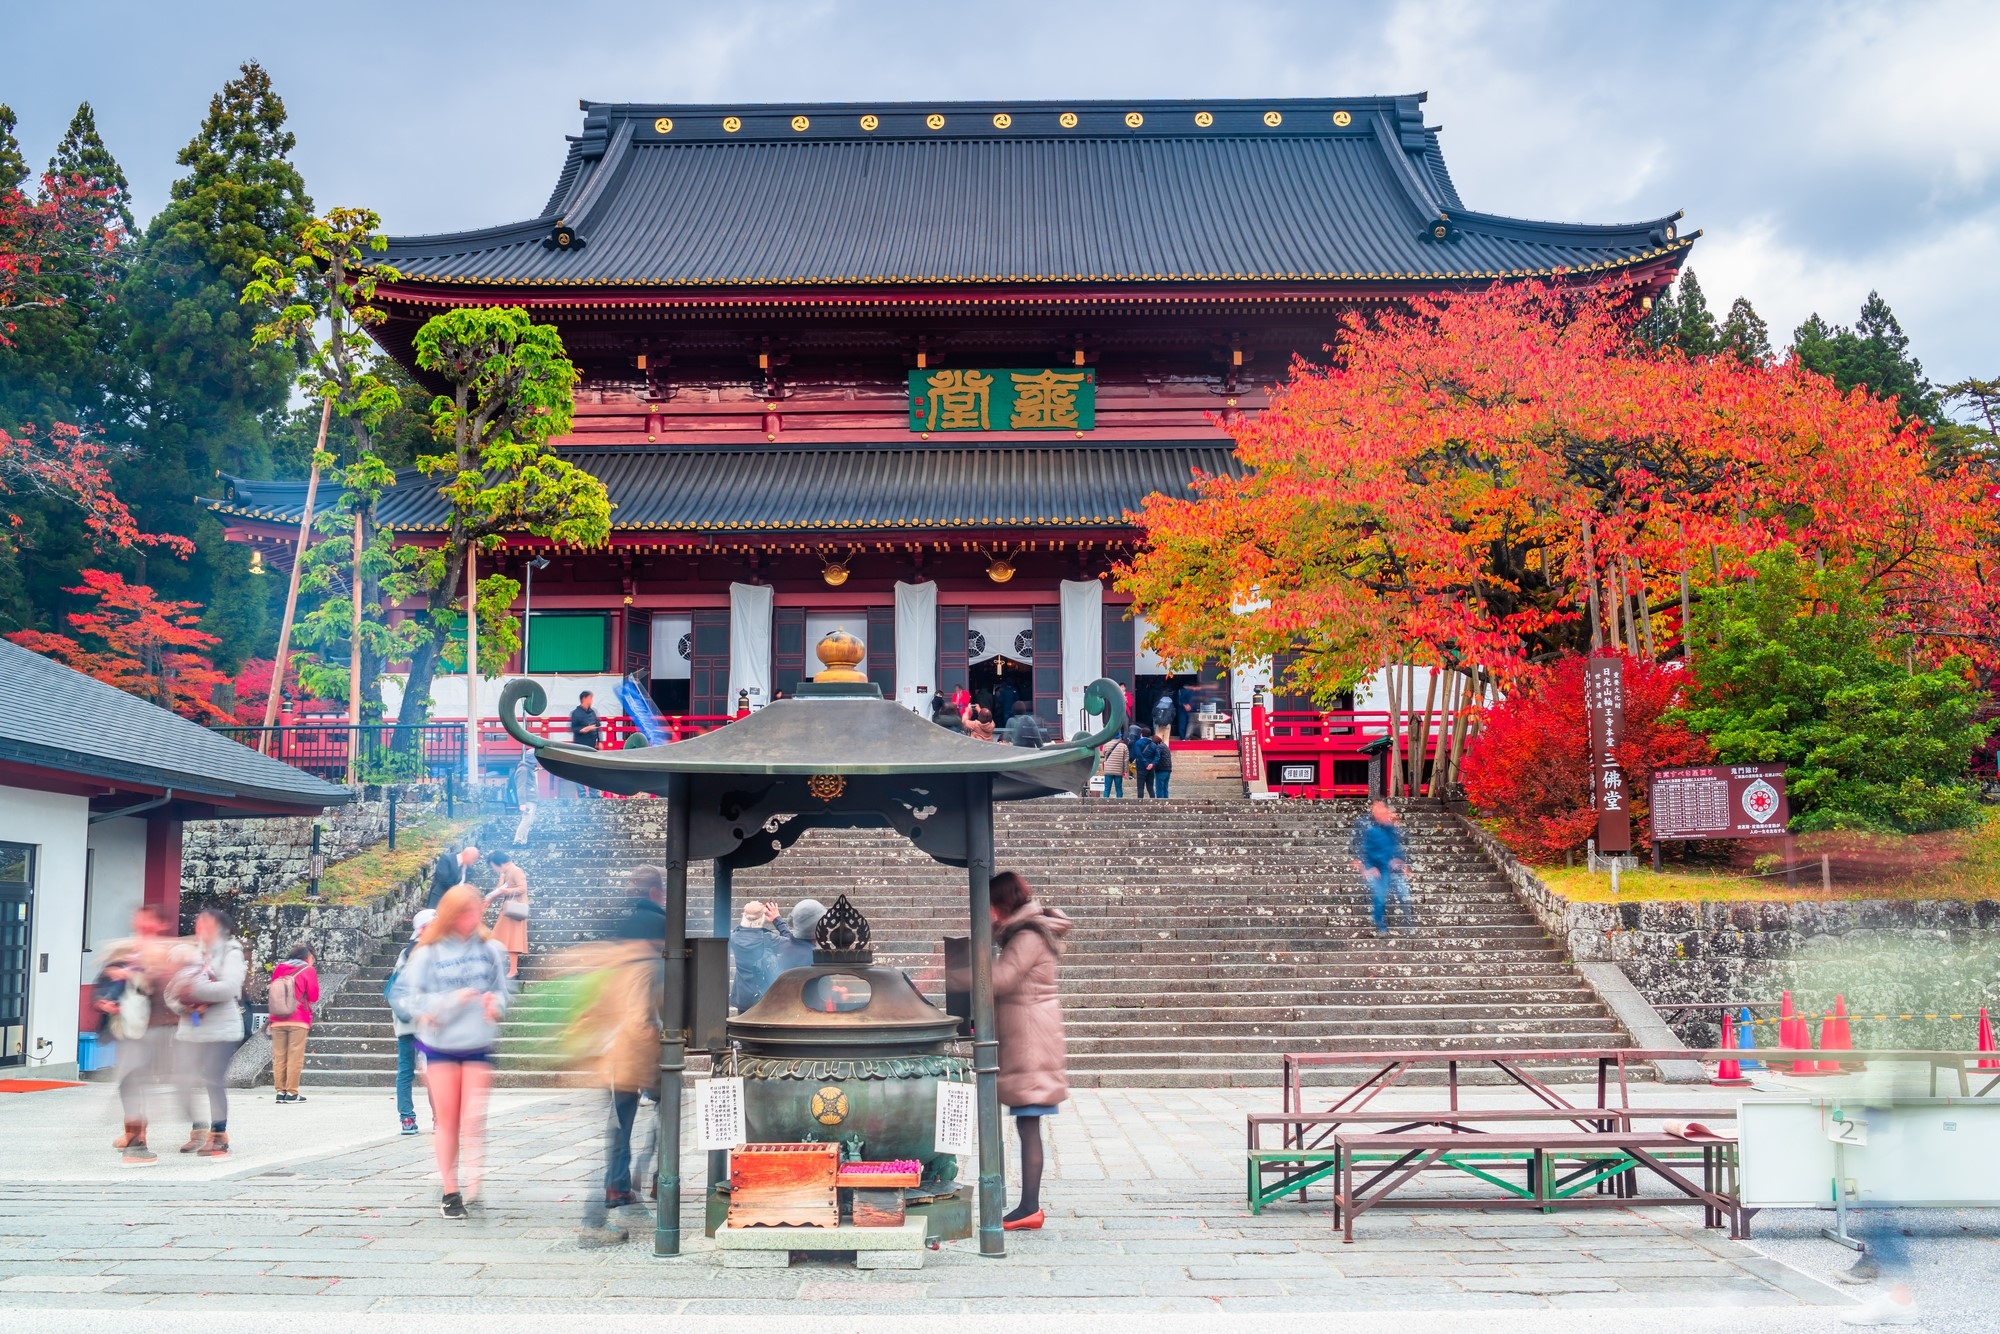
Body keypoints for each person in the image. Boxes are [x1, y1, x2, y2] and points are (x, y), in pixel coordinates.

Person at [950, 871, 1071, 1231]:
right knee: (1026, 1122)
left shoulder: (1028, 936)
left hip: (1031, 1039)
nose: (985, 912)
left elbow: (1001, 979)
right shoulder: (1023, 932)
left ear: (1000, 903)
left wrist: (958, 973)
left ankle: (1030, 1207)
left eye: (988, 905)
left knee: (1029, 1122)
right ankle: (1027, 1205)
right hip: (1029, 1034)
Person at [393, 885, 512, 1218]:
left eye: (476, 912)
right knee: (448, 1120)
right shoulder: (427, 954)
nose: (471, 919)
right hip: (440, 1044)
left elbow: (502, 991)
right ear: (450, 915)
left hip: (477, 1042)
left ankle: (474, 1177)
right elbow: (408, 997)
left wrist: (495, 1004)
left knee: (473, 1118)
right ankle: (450, 1189)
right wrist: (447, 1002)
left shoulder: (490, 950)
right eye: (464, 913)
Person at [569, 912, 666, 1247]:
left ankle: (618, 1186)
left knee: (618, 1127)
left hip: (611, 1057)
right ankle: (596, 1220)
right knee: (656, 1116)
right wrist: (655, 1059)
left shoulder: (617, 962)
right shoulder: (650, 965)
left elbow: (594, 1010)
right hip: (635, 1058)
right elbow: (643, 1019)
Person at [170, 906, 248, 1158]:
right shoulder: (192, 953)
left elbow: (229, 987)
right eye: (198, 921)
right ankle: (198, 1129)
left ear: (220, 927)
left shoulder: (231, 952)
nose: (199, 926)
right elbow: (170, 991)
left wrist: (194, 991)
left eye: (206, 922)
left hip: (221, 1030)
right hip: (191, 1027)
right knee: (184, 1079)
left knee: (213, 1080)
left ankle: (218, 1134)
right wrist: (184, 1003)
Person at [104, 903, 177, 1165]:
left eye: (147, 920)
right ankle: (135, 1138)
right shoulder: (130, 948)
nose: (141, 924)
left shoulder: (163, 951)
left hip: (152, 1026)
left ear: (160, 924)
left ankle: (137, 1141)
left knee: (136, 1081)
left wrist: (132, 975)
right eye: (138, 919)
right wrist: (107, 997)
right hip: (129, 1026)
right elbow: (108, 981)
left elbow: (164, 985)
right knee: (129, 1082)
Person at [386, 910, 434, 1136]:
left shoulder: (410, 952)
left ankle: (411, 1119)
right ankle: (415, 1118)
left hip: (415, 1019)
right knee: (415, 1069)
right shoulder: (420, 952)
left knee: (413, 1070)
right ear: (423, 928)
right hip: (418, 1019)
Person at [267, 943, 320, 1104]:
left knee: (279, 1057)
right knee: (294, 1056)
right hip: (298, 1018)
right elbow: (313, 996)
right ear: (307, 957)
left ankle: (280, 1092)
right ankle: (292, 1092)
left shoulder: (279, 968)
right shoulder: (308, 970)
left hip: (277, 1018)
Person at [1356, 800, 1415, 937]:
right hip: (1377, 868)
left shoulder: (1389, 828)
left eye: (1381, 808)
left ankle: (1408, 927)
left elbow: (1396, 846)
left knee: (1404, 895)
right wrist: (1367, 867)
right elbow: (1366, 850)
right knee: (1380, 896)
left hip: (1390, 866)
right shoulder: (1370, 829)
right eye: (1376, 809)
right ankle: (1381, 926)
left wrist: (1403, 863)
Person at [729, 901, 783, 1013]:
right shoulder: (768, 939)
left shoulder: (734, 937)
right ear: (763, 917)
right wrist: (777, 919)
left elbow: (742, 930)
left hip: (743, 996)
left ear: (743, 916)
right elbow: (793, 944)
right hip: (765, 994)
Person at [484, 850, 530, 979]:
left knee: (512, 939)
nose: (494, 869)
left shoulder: (516, 870)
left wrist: (506, 890)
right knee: (499, 937)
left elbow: (522, 888)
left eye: (493, 866)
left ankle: (513, 970)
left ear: (498, 863)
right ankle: (504, 967)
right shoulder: (506, 872)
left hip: (515, 910)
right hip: (508, 909)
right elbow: (499, 889)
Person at [772, 899, 826, 975]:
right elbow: (824, 986)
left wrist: (777, 920)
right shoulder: (817, 959)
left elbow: (790, 940)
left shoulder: (783, 946)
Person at [570, 690, 603, 798]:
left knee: (592, 769)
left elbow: (598, 726)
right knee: (580, 770)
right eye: (590, 698)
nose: (592, 700)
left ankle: (594, 793)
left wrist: (600, 741)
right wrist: (582, 730)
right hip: (580, 745)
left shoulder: (592, 712)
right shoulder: (576, 713)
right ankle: (582, 794)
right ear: (584, 699)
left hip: (592, 745)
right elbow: (573, 728)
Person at [427, 845, 479, 909]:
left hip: (455, 902)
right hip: (440, 897)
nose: (473, 862)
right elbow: (443, 879)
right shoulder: (446, 859)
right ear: (466, 854)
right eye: (473, 859)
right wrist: (457, 891)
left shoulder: (470, 870)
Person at [1098, 731, 1128, 799]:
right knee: (1119, 788)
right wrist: (1125, 771)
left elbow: (1104, 755)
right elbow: (1126, 760)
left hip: (1108, 769)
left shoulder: (1106, 745)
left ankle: (1105, 803)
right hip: (1119, 770)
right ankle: (1119, 803)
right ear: (1119, 737)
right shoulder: (1124, 746)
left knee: (1107, 788)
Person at [1132, 727, 1160, 798]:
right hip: (1151, 768)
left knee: (1140, 787)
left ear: (1141, 734)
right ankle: (1153, 802)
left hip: (1141, 767)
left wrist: (1146, 764)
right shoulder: (1153, 744)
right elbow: (1157, 756)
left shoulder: (1138, 743)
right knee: (1150, 787)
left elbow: (1139, 755)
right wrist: (1152, 764)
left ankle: (1140, 803)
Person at [1151, 730, 1174, 799]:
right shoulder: (1165, 746)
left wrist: (1152, 764)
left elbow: (1156, 756)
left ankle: (1160, 803)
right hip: (1168, 769)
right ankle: (1166, 802)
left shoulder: (1159, 747)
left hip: (1161, 770)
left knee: (1159, 788)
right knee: (1165, 788)